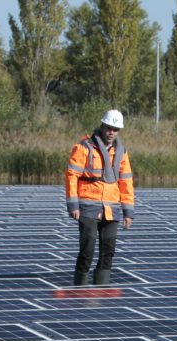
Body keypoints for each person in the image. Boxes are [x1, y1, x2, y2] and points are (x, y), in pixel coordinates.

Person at [66, 109, 135, 286]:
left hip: (111, 209)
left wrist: (128, 212)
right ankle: (80, 287)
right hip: (88, 207)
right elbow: (72, 176)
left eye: (115, 129)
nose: (111, 132)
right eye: (109, 128)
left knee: (108, 251)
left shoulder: (121, 152)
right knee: (87, 249)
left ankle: (101, 289)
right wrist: (73, 205)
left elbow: (126, 182)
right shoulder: (84, 147)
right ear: (102, 126)